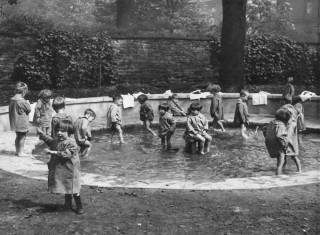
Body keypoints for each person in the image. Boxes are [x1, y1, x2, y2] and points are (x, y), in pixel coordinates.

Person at [37, 120, 83, 214]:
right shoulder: (57, 141)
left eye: (62, 131)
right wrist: (42, 135)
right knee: (66, 187)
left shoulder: (71, 143)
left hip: (71, 170)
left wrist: (53, 152)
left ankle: (79, 206)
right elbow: (50, 141)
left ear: (69, 132)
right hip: (63, 169)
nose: (59, 133)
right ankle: (67, 205)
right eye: (57, 130)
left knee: (74, 189)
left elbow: (66, 154)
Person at [263, 108, 302, 175]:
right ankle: (278, 177)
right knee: (280, 164)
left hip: (274, 145)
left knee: (280, 162)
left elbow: (264, 129)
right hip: (280, 146)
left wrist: (269, 138)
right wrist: (284, 144)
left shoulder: (272, 122)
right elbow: (279, 136)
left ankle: (281, 172)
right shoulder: (281, 125)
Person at [9, 82, 31, 157]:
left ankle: (17, 151)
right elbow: (28, 109)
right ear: (24, 91)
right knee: (23, 137)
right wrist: (27, 103)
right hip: (22, 121)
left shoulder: (12, 99)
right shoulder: (22, 101)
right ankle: (21, 152)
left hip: (15, 121)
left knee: (18, 136)